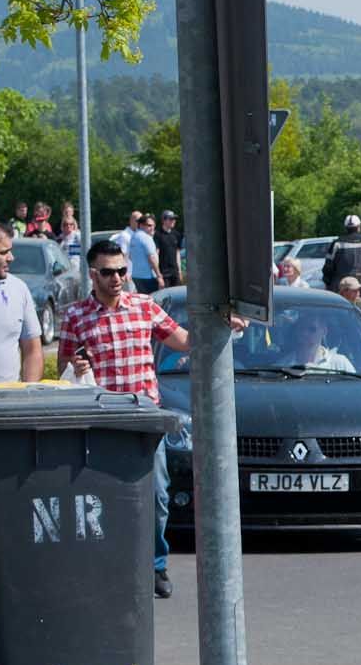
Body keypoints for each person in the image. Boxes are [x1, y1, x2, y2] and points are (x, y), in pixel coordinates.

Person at [59, 239, 244, 600]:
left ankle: (155, 565)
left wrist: (220, 324)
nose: (117, 278)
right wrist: (76, 365)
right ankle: (110, 565)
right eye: (108, 272)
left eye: (122, 270)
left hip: (145, 416)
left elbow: (185, 341)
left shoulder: (144, 306)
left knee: (157, 494)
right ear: (93, 274)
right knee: (102, 497)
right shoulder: (76, 315)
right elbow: (65, 364)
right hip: (102, 419)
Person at [0, 221, 43, 383]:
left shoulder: (18, 289)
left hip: (8, 397)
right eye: (3, 253)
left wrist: (28, 392)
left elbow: (32, 350)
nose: (11, 258)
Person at [284, 310, 355, 372]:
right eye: (301, 328)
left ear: (324, 331)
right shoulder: (283, 366)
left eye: (312, 329)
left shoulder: (340, 364)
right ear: (296, 331)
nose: (305, 333)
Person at [127, 213, 163, 295]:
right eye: (149, 225)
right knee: (153, 299)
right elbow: (151, 258)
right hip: (148, 276)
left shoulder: (133, 237)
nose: (152, 228)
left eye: (153, 225)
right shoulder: (146, 237)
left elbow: (130, 256)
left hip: (136, 275)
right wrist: (159, 275)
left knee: (143, 299)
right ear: (141, 225)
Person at [154, 210, 183, 287]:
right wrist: (158, 275)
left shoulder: (176, 234)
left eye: (174, 219)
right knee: (166, 294)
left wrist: (179, 271)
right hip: (164, 273)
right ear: (163, 220)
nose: (173, 221)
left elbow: (177, 253)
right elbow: (156, 254)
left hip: (175, 272)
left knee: (177, 292)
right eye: (170, 219)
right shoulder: (157, 234)